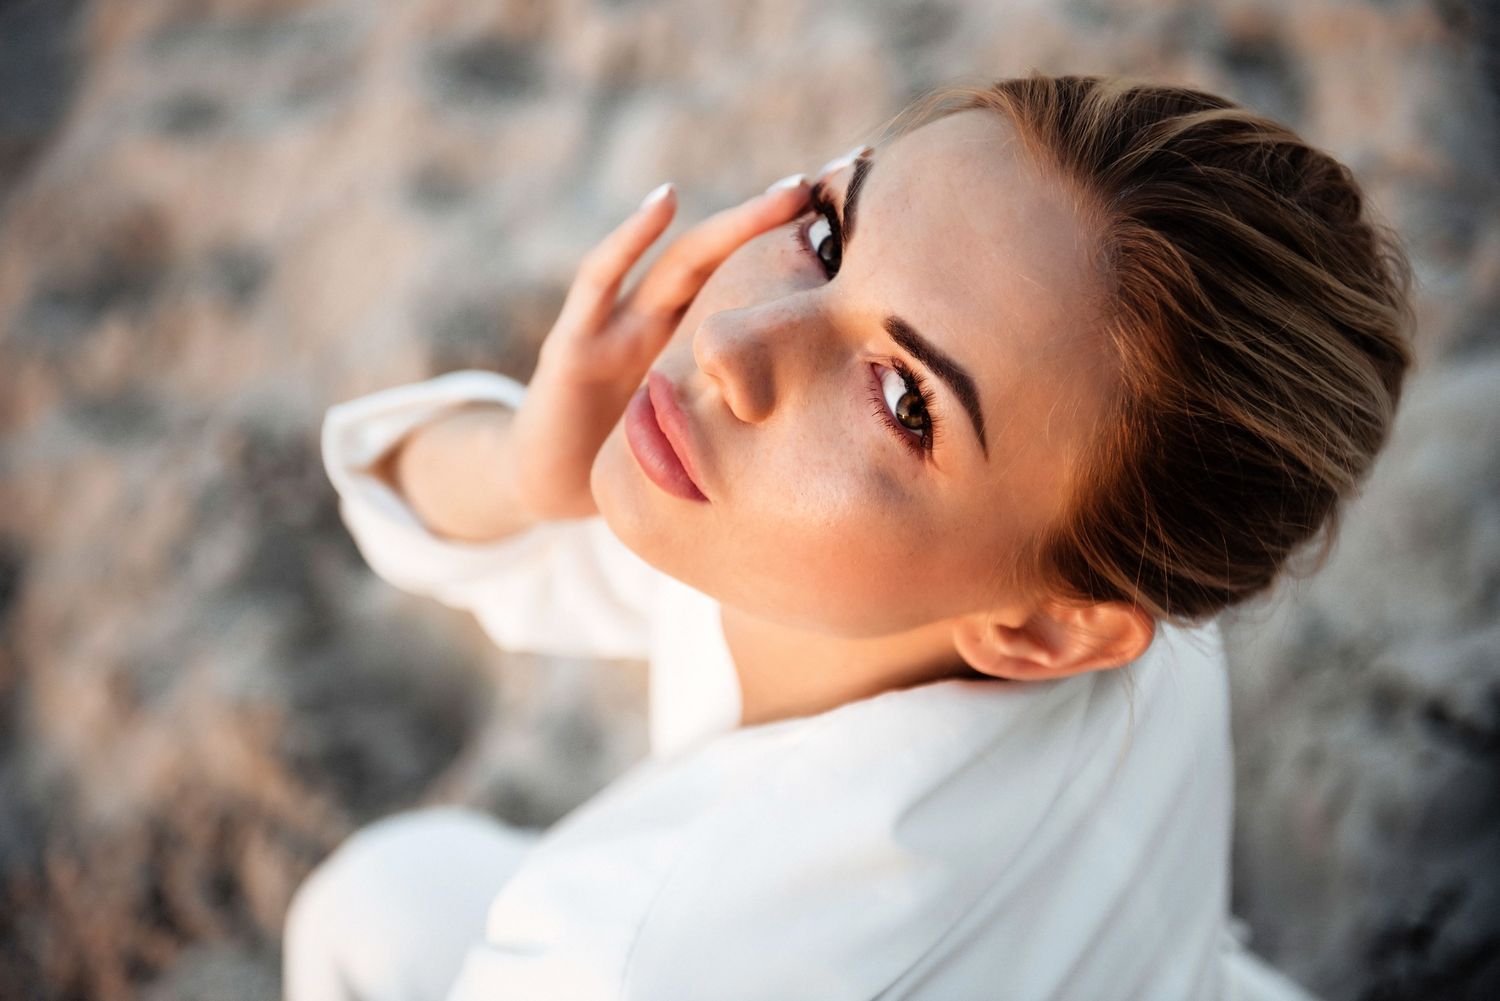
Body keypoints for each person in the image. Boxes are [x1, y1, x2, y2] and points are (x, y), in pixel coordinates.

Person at [282, 73, 1416, 1000]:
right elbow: (458, 522)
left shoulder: (641, 955)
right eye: (826, 231)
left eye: (906, 399)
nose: (734, 344)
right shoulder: (1094, 564)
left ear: (1051, 629)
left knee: (368, 909)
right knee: (383, 896)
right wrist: (532, 461)